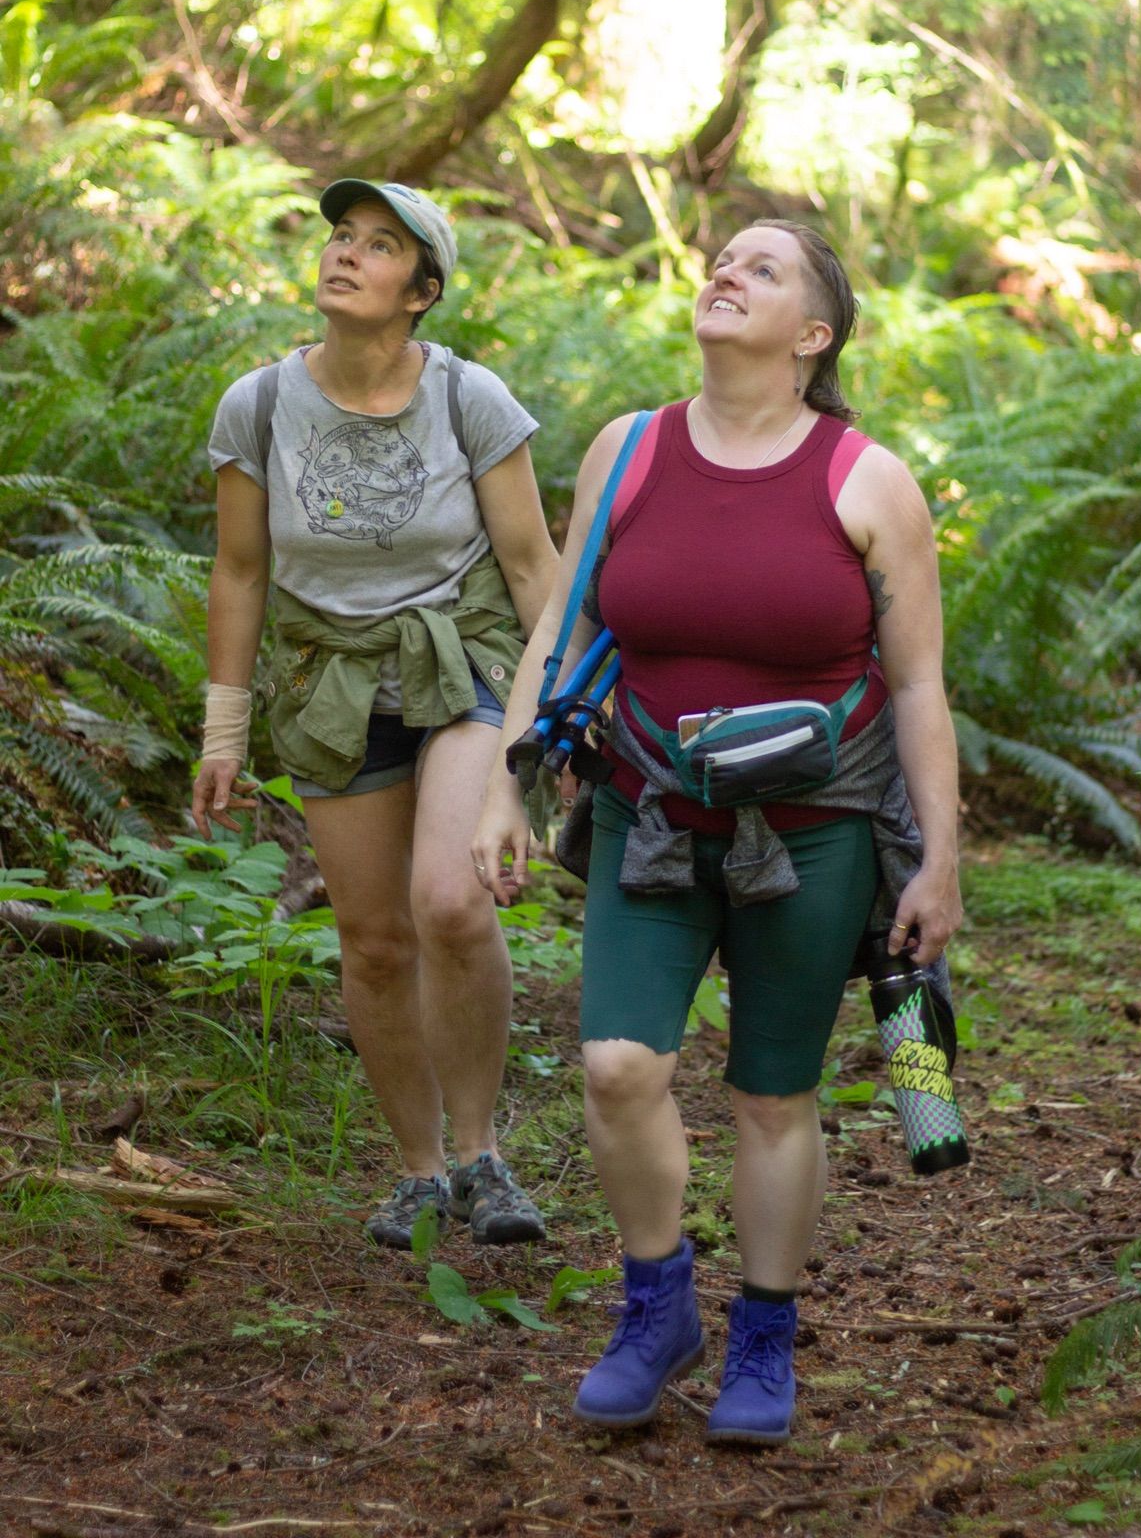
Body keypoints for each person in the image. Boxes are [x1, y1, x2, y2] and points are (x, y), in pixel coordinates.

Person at [473, 220, 962, 1444]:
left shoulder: (865, 478)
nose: (726, 272)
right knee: (617, 1063)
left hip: (815, 831)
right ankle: (655, 1305)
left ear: (811, 334)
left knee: (770, 1094)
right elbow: (563, 621)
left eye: (764, 267)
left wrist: (939, 859)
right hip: (646, 815)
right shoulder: (628, 450)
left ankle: (762, 1332)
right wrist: (504, 780)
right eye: (722, 257)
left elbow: (915, 687)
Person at [193, 179, 557, 1246]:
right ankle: (417, 1166)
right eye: (340, 237)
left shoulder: (468, 397)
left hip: (463, 661)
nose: (345, 254)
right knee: (373, 938)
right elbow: (241, 572)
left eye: (380, 245)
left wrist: (561, 723)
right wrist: (223, 733)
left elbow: (535, 566)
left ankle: (484, 1154)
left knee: (448, 899)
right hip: (327, 682)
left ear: (422, 291)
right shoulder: (256, 404)